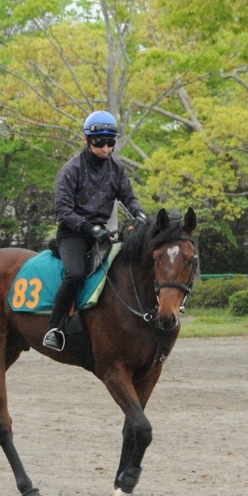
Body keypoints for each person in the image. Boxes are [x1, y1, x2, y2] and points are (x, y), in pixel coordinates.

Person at [43, 110, 147, 352]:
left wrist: (139, 214)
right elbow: (63, 211)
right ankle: (55, 328)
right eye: (100, 142)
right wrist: (91, 229)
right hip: (73, 234)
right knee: (76, 274)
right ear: (86, 139)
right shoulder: (71, 170)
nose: (106, 148)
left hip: (102, 234)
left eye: (111, 142)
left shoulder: (117, 169)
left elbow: (128, 198)